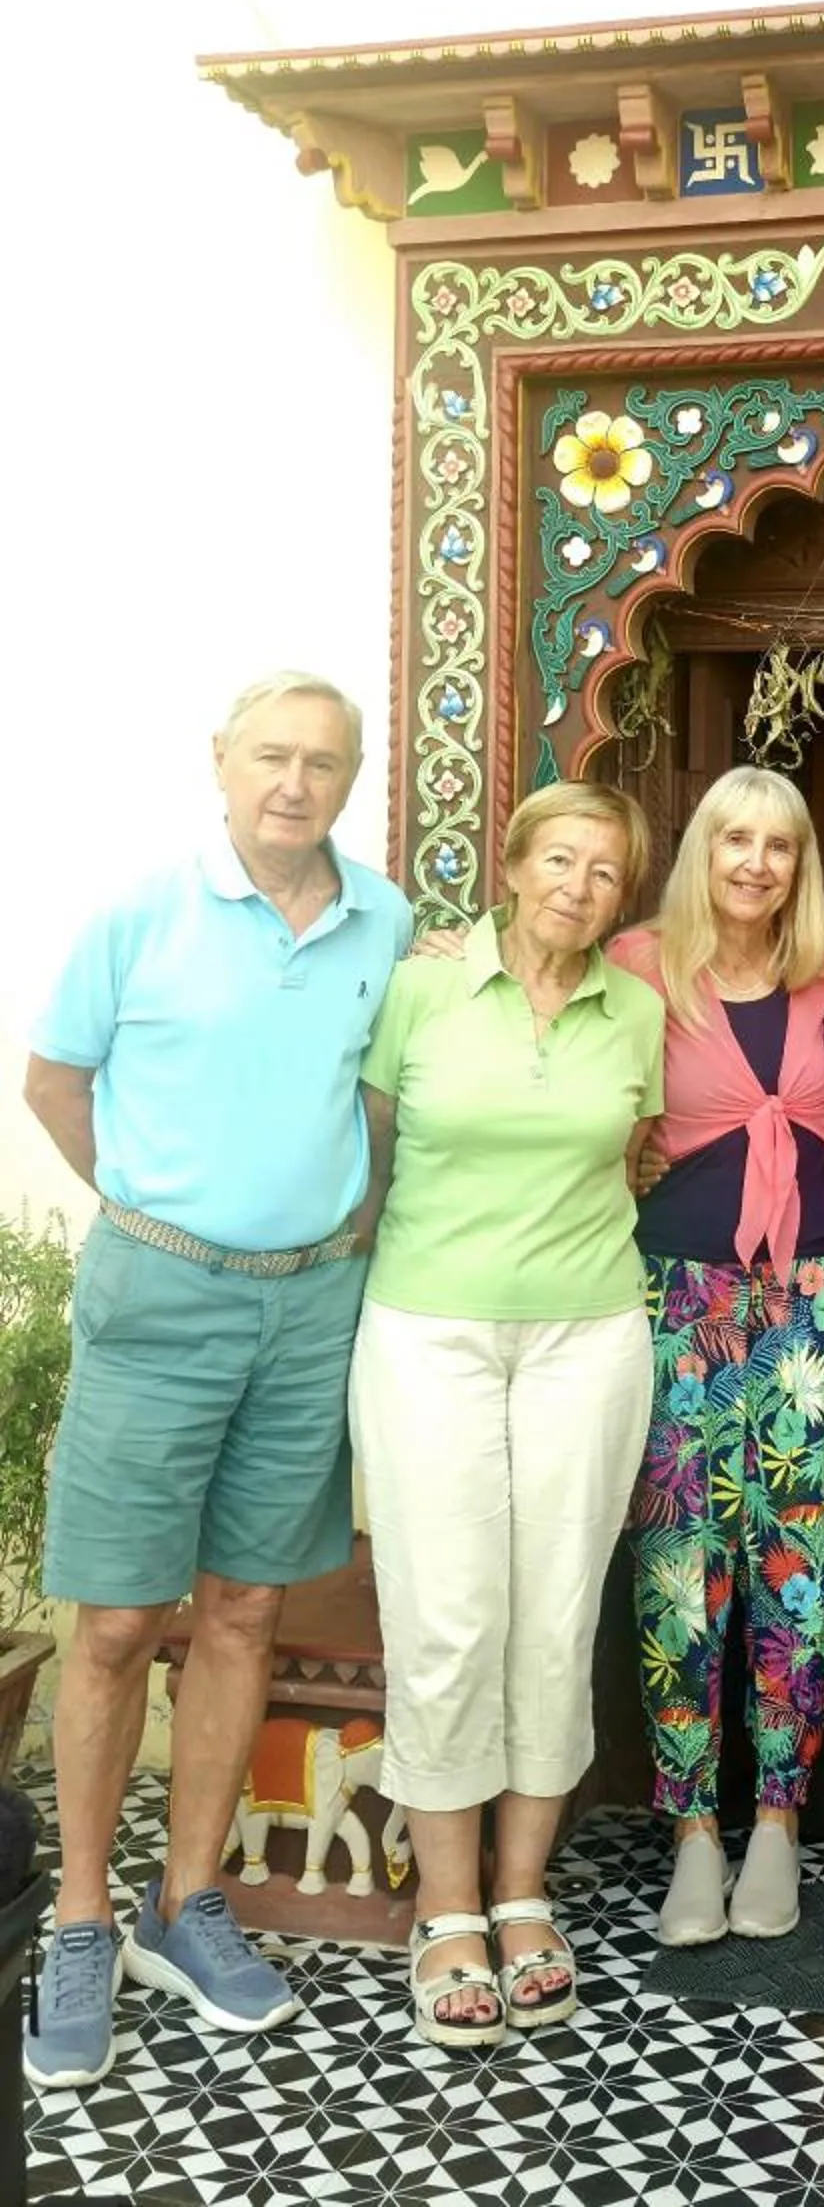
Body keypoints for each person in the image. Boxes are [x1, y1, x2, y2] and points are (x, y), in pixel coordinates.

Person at [22, 673, 412, 2091]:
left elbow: (378, 1102)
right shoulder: (140, 912)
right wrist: (150, 1209)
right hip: (161, 1296)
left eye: (323, 762)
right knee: (122, 1617)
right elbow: (54, 1080)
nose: (295, 784)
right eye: (271, 757)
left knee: (246, 1603)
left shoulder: (386, 923)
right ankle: (79, 1918)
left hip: (309, 1308)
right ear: (222, 763)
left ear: (350, 779)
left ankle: (190, 1907)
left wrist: (348, 1228)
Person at [349, 783, 663, 2048]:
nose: (579, 888)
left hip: (588, 1333)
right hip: (428, 1331)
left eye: (606, 871)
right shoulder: (420, 988)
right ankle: (448, 1906)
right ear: (514, 864)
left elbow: (636, 1152)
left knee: (553, 1612)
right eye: (560, 860)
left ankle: (525, 1894)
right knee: (447, 1615)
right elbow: (368, 1151)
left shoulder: (633, 1007)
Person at [609, 767, 824, 1948]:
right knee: (679, 1565)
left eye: (780, 845)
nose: (756, 863)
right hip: (680, 1296)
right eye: (735, 840)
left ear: (801, 865)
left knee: (795, 1563)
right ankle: (693, 1829)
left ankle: (778, 1821)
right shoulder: (639, 968)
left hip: (809, 1302)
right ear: (702, 849)